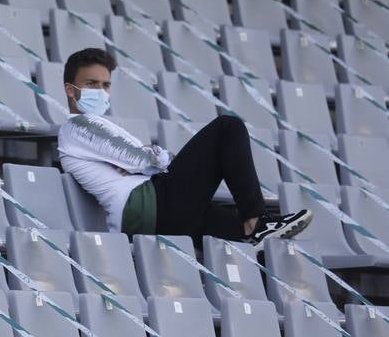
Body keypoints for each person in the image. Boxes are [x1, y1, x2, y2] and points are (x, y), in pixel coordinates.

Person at [57, 47, 311, 244]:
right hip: (149, 206)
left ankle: (256, 229)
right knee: (227, 128)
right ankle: (258, 221)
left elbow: (144, 161)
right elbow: (143, 160)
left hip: (159, 209)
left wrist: (146, 159)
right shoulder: (78, 127)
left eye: (106, 85)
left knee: (243, 237)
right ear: (71, 90)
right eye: (92, 84)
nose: (101, 91)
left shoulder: (99, 127)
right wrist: (148, 157)